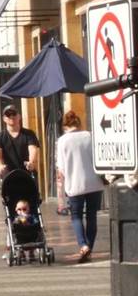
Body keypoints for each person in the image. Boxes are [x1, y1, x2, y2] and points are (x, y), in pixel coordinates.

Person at [56, 109, 105, 263]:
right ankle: (89, 247)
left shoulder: (62, 141)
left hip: (74, 185)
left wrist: (60, 200)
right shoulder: (90, 136)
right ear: (78, 123)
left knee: (76, 216)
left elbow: (61, 171)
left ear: (64, 126)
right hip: (94, 183)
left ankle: (83, 245)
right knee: (92, 216)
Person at [0, 105, 40, 179]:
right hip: (9, 177)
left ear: (19, 116)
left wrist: (31, 162)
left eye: (14, 113)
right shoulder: (0, 136)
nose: (11, 116)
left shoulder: (29, 134)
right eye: (8, 114)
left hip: (27, 176)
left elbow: (33, 149)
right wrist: (0, 166)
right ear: (4, 119)